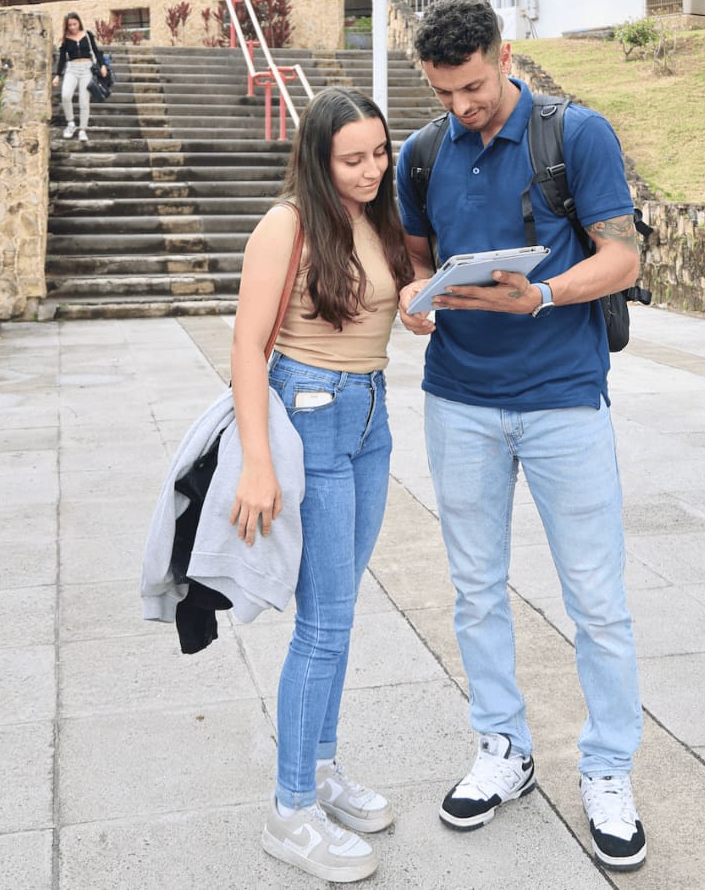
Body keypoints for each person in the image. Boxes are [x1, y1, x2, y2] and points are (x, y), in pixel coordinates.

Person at [395, 0, 647, 873]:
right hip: (459, 398)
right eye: (443, 93)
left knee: (596, 600)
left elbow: (623, 255)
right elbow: (418, 256)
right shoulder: (422, 152)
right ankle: (503, 747)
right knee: (474, 589)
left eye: (471, 87)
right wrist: (415, 296)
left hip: (564, 397)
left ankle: (609, 769)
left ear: (504, 55)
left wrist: (539, 295)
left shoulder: (575, 135)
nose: (460, 108)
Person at [231, 86, 414, 883]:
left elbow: (377, 300)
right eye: (353, 159)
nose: (372, 169)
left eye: (379, 153)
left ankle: (324, 769)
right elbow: (244, 347)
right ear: (317, 158)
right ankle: (291, 809)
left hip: (370, 416)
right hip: (313, 415)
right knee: (324, 623)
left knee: (340, 613)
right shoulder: (287, 224)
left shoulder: (374, 217)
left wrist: (414, 302)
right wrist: (258, 462)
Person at [52, 12, 107, 141]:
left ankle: (83, 130)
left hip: (87, 69)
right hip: (71, 69)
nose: (72, 27)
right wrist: (58, 75)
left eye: (74, 24)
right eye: (69, 25)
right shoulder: (65, 39)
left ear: (79, 22)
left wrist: (102, 65)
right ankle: (71, 123)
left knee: (84, 100)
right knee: (65, 95)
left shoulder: (87, 35)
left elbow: (96, 51)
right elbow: (61, 59)